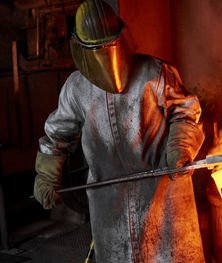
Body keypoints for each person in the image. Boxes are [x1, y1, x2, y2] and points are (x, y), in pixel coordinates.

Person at [33, 0, 205, 262]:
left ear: (122, 40)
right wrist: (46, 176)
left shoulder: (155, 73)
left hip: (162, 194)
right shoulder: (76, 88)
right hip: (109, 201)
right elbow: (57, 137)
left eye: (110, 47)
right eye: (97, 51)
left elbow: (185, 113)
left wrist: (180, 146)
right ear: (81, 49)